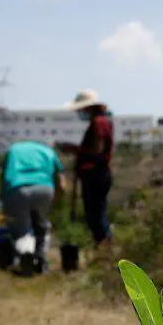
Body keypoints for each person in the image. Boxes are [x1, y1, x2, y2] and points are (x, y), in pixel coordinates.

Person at [0, 140, 68, 275]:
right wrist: (54, 201)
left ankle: (26, 254)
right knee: (42, 225)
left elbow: (3, 176)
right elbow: (62, 184)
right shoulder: (48, 151)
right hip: (44, 189)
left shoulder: (13, 150)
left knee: (21, 229)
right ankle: (41, 260)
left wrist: (4, 200)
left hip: (17, 188)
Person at [56, 89, 114, 246]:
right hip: (96, 174)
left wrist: (73, 148)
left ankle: (104, 248)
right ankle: (103, 247)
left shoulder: (98, 123)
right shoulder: (101, 122)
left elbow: (97, 149)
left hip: (96, 174)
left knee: (95, 214)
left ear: (87, 108)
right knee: (96, 213)